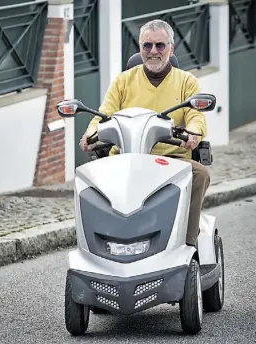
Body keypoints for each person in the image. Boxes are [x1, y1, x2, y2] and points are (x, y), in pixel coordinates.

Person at [78, 19, 210, 248]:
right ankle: (95, 246)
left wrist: (194, 134)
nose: (153, 51)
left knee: (199, 174)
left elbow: (196, 117)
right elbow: (103, 115)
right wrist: (90, 135)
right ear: (140, 48)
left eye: (160, 45)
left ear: (171, 48)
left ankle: (187, 245)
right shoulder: (122, 81)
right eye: (147, 46)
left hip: (171, 160)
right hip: (125, 158)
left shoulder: (186, 81)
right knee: (86, 180)